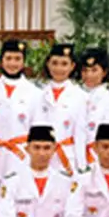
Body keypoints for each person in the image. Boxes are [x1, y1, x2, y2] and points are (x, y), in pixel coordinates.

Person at [0, 39, 39, 182]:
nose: (12, 63)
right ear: (1, 60)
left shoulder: (34, 93)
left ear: (24, 61)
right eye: (8, 58)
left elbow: (36, 130)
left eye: (17, 59)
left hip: (21, 155)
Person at [31, 43, 88, 173]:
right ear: (48, 64)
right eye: (54, 63)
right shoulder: (37, 94)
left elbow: (80, 134)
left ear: (72, 66)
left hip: (67, 157)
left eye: (64, 64)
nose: (58, 68)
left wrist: (82, 166)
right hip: (41, 156)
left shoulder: (80, 96)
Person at [77, 48, 109, 168]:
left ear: (104, 72)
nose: (89, 75)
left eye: (94, 70)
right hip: (75, 156)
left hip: (98, 157)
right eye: (85, 70)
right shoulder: (76, 96)